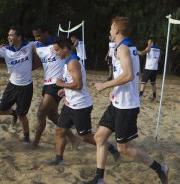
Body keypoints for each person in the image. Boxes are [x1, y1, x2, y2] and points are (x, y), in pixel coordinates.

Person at [86, 16, 168, 184]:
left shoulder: (123, 48)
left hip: (127, 106)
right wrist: (115, 91)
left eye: (111, 28)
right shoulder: (126, 46)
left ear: (116, 30)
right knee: (100, 137)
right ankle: (99, 178)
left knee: (124, 148)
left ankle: (160, 168)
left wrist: (104, 85)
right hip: (117, 102)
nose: (109, 31)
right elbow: (124, 74)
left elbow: (129, 75)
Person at [48, 36, 119, 166]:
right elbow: (74, 83)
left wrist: (62, 84)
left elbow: (79, 85)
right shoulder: (67, 61)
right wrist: (65, 90)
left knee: (85, 137)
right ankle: (59, 159)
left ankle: (111, 148)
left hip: (80, 106)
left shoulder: (73, 63)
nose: (56, 53)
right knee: (60, 130)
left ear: (65, 49)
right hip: (69, 105)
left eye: (57, 50)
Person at [0, 25, 34, 143]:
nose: (8, 37)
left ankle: (26, 137)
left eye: (11, 35)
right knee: (0, 110)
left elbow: (45, 47)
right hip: (12, 86)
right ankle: (14, 113)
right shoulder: (5, 50)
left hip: (27, 87)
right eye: (8, 35)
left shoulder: (29, 46)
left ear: (19, 37)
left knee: (22, 115)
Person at [31, 22, 80, 149]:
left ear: (46, 33)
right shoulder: (36, 46)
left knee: (41, 113)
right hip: (46, 83)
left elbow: (70, 49)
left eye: (39, 35)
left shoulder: (58, 43)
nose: (37, 38)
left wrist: (74, 45)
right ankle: (73, 138)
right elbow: (36, 63)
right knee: (52, 115)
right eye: (35, 36)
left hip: (57, 84)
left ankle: (35, 143)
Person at [138, 37, 160, 102]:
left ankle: (139, 97)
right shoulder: (158, 49)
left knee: (143, 83)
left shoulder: (149, 48)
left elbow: (142, 53)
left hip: (148, 68)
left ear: (152, 43)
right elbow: (159, 60)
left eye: (149, 42)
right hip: (155, 68)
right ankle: (154, 98)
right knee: (153, 83)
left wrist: (135, 51)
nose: (147, 43)